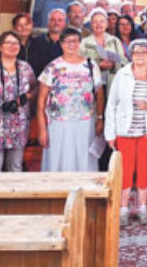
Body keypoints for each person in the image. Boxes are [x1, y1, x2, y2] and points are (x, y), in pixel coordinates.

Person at [105, 39, 147, 226]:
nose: (139, 56)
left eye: (143, 52)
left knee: (144, 169)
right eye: (136, 52)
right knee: (125, 171)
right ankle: (123, 208)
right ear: (130, 55)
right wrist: (110, 134)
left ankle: (142, 207)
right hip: (125, 130)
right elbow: (111, 104)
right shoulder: (122, 75)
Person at [37, 27, 105, 171]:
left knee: (84, 157)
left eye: (74, 41)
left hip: (85, 121)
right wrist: (42, 129)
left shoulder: (91, 65)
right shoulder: (53, 67)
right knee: (59, 157)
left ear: (80, 43)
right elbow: (41, 101)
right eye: (67, 41)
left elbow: (99, 93)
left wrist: (100, 118)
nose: (71, 45)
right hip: (58, 122)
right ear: (61, 44)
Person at [0, 31, 37, 172]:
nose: (13, 46)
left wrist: (26, 97)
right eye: (9, 43)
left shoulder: (26, 68)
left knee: (15, 166)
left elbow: (35, 88)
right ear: (0, 47)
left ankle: (14, 194)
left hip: (19, 123)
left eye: (16, 43)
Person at [80, 8, 128, 88]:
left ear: (106, 24)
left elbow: (124, 61)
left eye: (102, 21)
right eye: (95, 22)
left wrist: (113, 65)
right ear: (91, 25)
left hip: (113, 82)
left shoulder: (115, 41)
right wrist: (97, 65)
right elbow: (79, 64)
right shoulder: (84, 42)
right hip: (91, 83)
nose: (98, 24)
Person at [28, 8, 66, 76]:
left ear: (64, 23)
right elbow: (33, 68)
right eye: (52, 20)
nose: (56, 23)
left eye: (59, 20)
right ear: (47, 22)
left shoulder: (70, 43)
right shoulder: (36, 42)